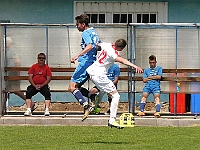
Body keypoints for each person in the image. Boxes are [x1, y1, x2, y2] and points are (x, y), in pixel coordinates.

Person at [86, 39, 143, 129]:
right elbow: (123, 60)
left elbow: (97, 45)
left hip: (91, 71)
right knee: (116, 96)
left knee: (102, 91)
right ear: (121, 48)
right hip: (100, 75)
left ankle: (94, 107)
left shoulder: (107, 45)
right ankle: (112, 120)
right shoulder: (113, 53)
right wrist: (135, 66)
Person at [68, 14, 101, 121]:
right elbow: (98, 46)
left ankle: (86, 105)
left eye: (77, 24)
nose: (77, 26)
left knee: (72, 87)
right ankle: (91, 96)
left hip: (85, 63)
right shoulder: (94, 32)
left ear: (83, 24)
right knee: (77, 87)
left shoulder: (86, 33)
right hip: (93, 63)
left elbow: (90, 45)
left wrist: (78, 55)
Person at [5, 36, 36, 111]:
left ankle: (30, 102)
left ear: (8, 43)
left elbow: (17, 61)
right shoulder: (8, 50)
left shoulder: (12, 50)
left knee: (15, 90)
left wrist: (17, 73)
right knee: (7, 89)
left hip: (12, 73)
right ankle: (4, 106)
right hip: (9, 73)